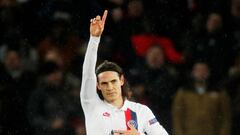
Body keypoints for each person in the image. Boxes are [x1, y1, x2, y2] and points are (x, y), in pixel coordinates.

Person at [80, 10, 168, 135]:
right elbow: (88, 73)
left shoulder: (141, 111)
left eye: (113, 81)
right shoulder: (92, 105)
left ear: (121, 80)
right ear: (98, 86)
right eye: (104, 83)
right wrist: (94, 39)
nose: (109, 87)